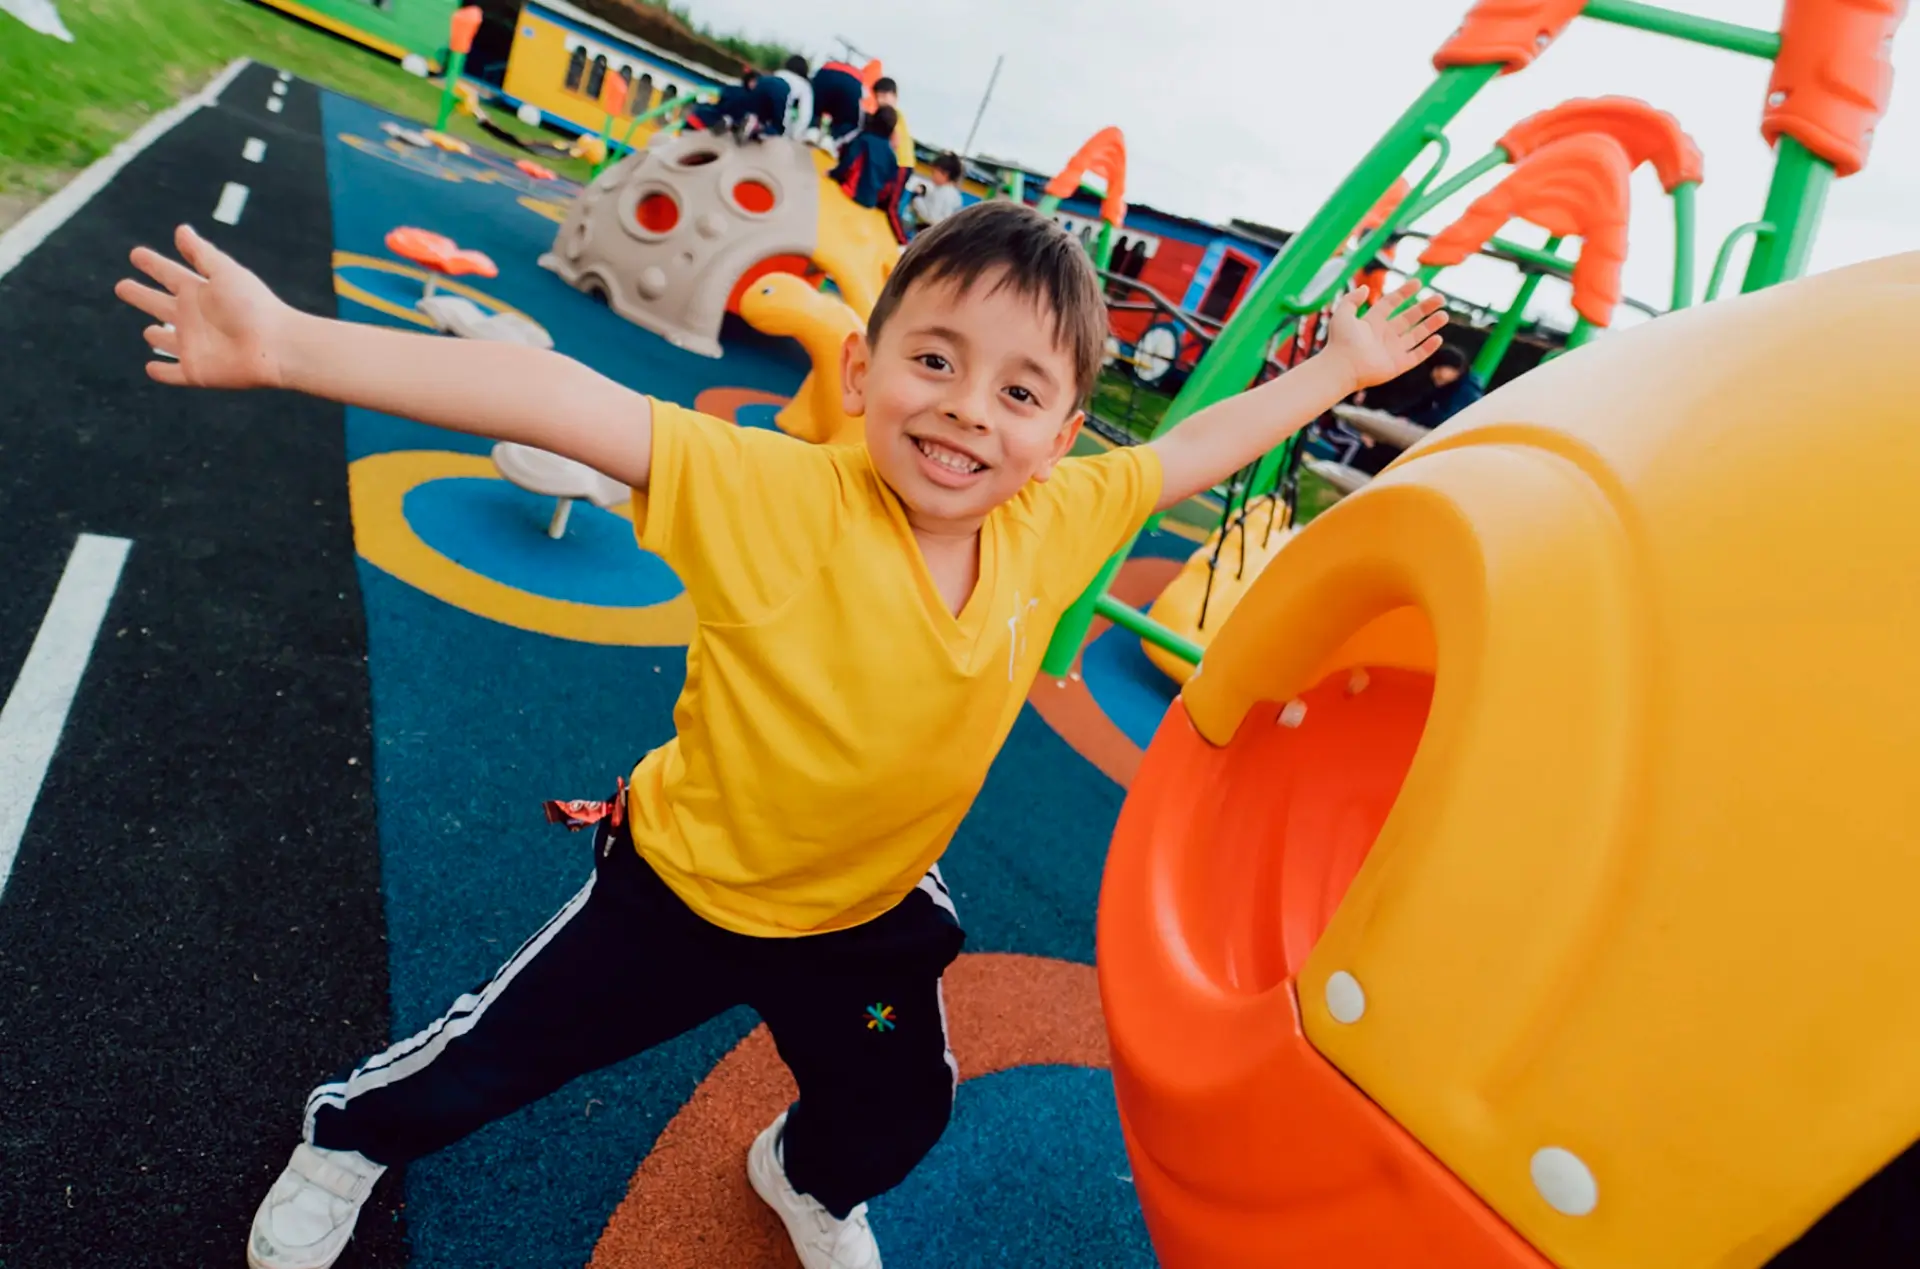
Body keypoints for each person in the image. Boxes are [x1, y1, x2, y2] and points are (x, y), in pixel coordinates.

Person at [113, 204, 1445, 1269]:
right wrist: (292, 345)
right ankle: (348, 1135)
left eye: (1020, 390)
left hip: (861, 915)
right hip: (684, 889)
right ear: (862, 372)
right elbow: (555, 394)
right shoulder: (775, 495)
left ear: (1062, 435)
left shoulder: (1061, 515)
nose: (970, 410)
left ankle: (801, 1173)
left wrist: (1338, 370)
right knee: (491, 1059)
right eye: (936, 360)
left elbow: (1201, 447)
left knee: (898, 1105)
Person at [829, 105, 905, 225]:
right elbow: (889, 184)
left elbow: (847, 163)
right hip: (871, 202)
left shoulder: (864, 140)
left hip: (852, 193)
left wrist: (832, 174)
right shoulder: (892, 156)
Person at [1403, 343, 1483, 428]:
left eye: (1440, 376)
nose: (1435, 376)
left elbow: (1447, 418)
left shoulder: (1467, 391)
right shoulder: (1446, 385)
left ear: (1457, 370)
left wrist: (1413, 419)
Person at [906, 152, 965, 233]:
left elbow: (932, 218)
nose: (932, 175)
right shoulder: (956, 196)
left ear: (945, 174)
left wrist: (917, 199)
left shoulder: (943, 193)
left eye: (934, 172)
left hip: (932, 233)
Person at [811, 57, 866, 142]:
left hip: (826, 72)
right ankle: (832, 139)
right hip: (853, 81)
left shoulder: (829, 65)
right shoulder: (858, 76)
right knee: (848, 122)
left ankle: (812, 130)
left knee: (813, 110)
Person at [871, 76, 914, 172]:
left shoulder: (892, 115)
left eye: (884, 96)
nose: (880, 101)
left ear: (895, 96)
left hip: (900, 164)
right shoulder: (897, 114)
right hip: (904, 164)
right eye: (877, 97)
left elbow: (895, 142)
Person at [775, 54, 814, 139]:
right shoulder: (804, 86)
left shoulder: (777, 75)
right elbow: (805, 115)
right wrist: (796, 136)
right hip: (785, 129)